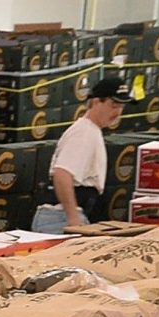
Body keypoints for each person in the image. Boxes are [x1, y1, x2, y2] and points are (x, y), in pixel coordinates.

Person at [45, 73, 128, 231]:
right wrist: (73, 219)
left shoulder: (90, 131)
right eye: (114, 105)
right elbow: (62, 174)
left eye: (122, 107)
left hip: (65, 215)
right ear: (96, 102)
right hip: (61, 218)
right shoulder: (84, 133)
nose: (118, 113)